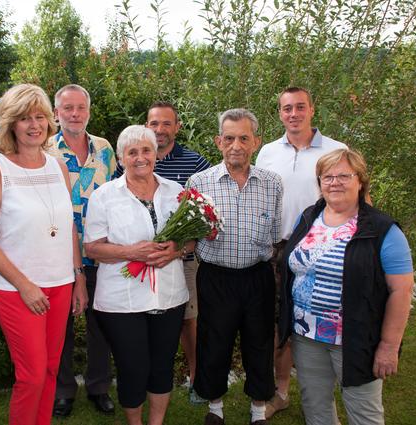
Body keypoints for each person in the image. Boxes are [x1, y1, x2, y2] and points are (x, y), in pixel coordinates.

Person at [0, 83, 87, 425]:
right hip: (17, 290)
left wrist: (78, 278)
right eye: (24, 118)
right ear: (10, 124)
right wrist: (24, 285)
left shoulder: (58, 167)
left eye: (39, 116)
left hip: (61, 283)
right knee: (32, 375)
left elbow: (67, 226)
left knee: (51, 370)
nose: (34, 124)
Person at [278, 148, 413, 425]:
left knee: (364, 414)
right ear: (320, 183)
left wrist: (388, 346)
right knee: (316, 408)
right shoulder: (308, 218)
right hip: (307, 336)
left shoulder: (382, 230)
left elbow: (401, 291)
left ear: (360, 181)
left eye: (343, 175)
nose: (334, 182)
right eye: (327, 176)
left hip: (354, 338)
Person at [83, 125, 195, 425]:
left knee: (161, 366)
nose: (140, 157)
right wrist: (132, 252)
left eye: (146, 150)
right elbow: (92, 248)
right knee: (132, 367)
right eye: (132, 152)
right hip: (123, 300)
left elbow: (192, 238)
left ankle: (156, 422)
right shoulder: (104, 196)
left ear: (156, 154)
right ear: (121, 158)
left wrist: (175, 249)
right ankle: (135, 423)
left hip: (169, 296)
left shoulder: (176, 192)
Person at [254, 86, 347, 419]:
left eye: (300, 107)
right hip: (274, 248)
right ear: (279, 113)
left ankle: (312, 393)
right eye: (286, 108)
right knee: (277, 323)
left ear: (312, 109)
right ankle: (279, 391)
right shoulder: (266, 152)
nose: (293, 114)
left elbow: (353, 196)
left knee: (311, 321)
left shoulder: (336, 150)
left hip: (319, 251)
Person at [188, 109, 282, 425]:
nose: (236, 145)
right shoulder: (199, 182)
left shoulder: (273, 184)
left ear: (256, 142)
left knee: (259, 343)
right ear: (218, 142)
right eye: (229, 138)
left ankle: (258, 411)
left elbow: (278, 234)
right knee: (214, 343)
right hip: (215, 277)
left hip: (258, 278)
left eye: (244, 138)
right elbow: (188, 234)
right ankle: (215, 409)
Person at [115, 101, 211, 403]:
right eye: (153, 123)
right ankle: (146, 378)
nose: (159, 129)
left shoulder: (195, 163)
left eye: (166, 123)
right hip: (138, 255)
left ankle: (195, 377)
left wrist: (179, 245)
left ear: (177, 127)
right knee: (141, 316)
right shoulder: (133, 158)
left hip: (181, 256)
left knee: (187, 317)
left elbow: (205, 206)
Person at [47, 84, 116, 417]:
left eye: (80, 108)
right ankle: (63, 391)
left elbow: (118, 192)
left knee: (100, 323)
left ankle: (99, 386)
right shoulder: (45, 149)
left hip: (101, 251)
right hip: (58, 253)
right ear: (56, 111)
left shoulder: (104, 148)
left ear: (89, 110)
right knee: (60, 325)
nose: (74, 114)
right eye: (67, 108)